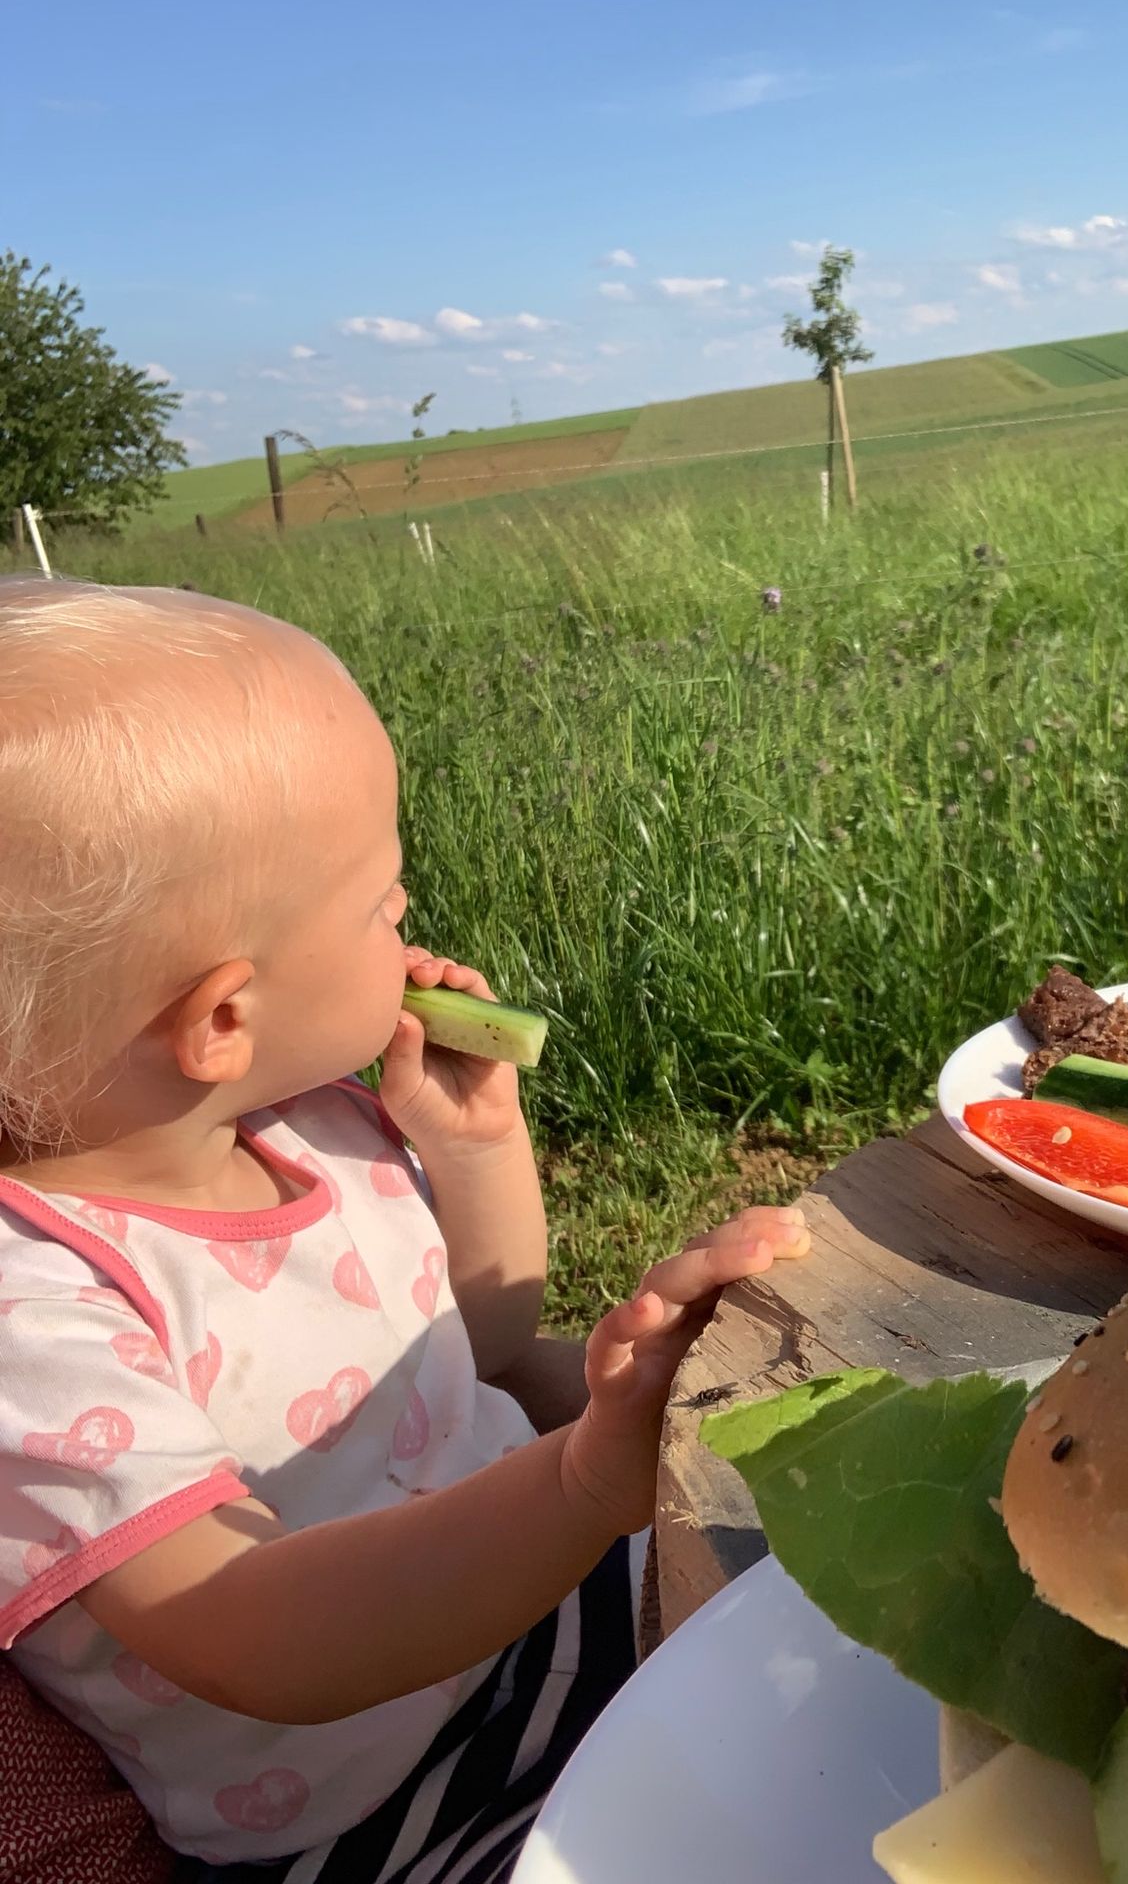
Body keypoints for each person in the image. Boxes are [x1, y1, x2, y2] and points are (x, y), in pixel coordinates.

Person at [0, 575, 809, 1881]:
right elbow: (253, 1629)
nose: (410, 921)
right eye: (382, 904)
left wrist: (474, 1145)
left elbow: (471, 1337)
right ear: (222, 1018)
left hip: (555, 1614)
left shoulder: (298, 1119)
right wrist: (575, 1486)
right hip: (391, 1810)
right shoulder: (36, 1318)